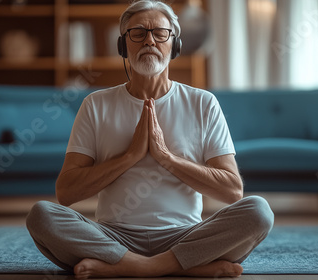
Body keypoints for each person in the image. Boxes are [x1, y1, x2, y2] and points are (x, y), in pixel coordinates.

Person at [26, 0, 274, 279]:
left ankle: (134, 268)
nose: (149, 41)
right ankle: (184, 267)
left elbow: (231, 191)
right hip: (114, 237)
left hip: (186, 236)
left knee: (258, 212)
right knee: (41, 216)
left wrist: (166, 158)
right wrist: (129, 156)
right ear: (123, 45)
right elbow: (66, 193)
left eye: (160, 33)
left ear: (175, 45)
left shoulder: (203, 103)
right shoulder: (95, 104)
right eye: (138, 33)